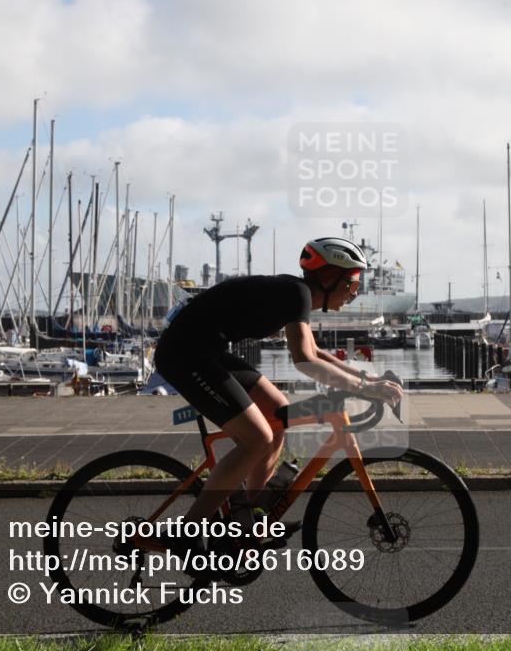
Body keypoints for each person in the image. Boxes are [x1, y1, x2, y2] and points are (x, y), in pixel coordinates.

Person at [145, 237, 403, 560]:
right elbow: (304, 360)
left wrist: (367, 379)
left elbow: (315, 352)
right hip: (186, 355)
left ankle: (245, 519)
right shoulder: (296, 293)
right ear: (330, 277)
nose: (355, 293)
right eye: (352, 284)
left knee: (279, 414)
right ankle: (188, 534)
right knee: (257, 439)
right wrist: (365, 389)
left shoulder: (296, 294)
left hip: (207, 350)